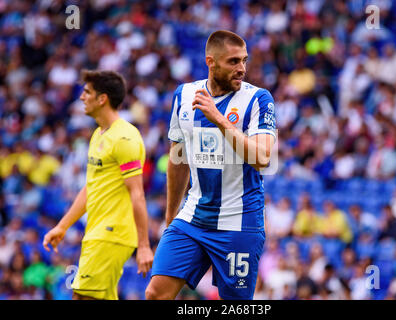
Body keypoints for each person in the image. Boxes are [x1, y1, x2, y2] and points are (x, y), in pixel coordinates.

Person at [145, 30, 277, 300]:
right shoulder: (184, 95)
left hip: (239, 223)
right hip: (193, 218)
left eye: (244, 61)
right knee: (155, 294)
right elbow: (177, 159)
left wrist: (219, 119)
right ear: (211, 62)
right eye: (233, 62)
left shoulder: (258, 99)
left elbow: (262, 158)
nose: (241, 68)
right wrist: (171, 218)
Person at [42, 70, 153, 300]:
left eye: (87, 92)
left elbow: (137, 194)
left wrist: (144, 245)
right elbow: (90, 188)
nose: (82, 97)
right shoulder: (98, 135)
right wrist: (62, 226)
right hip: (96, 232)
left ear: (102, 99)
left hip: (112, 233)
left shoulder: (125, 138)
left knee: (81, 296)